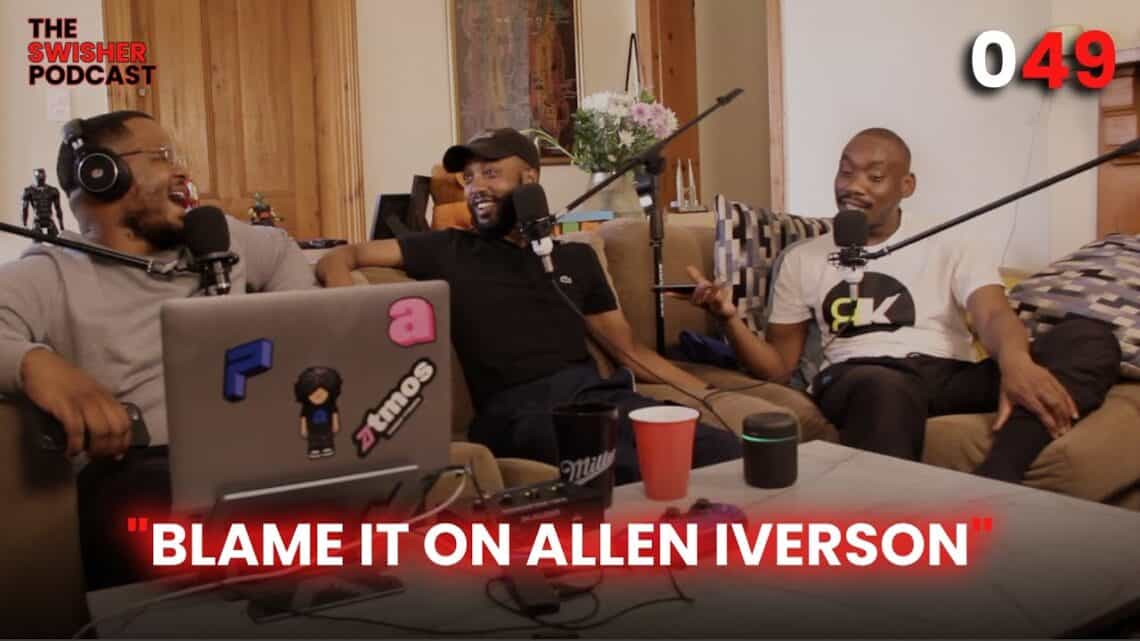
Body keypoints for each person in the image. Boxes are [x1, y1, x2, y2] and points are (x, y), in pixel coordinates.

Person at [683, 127, 1120, 482]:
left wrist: (1015, 362)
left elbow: (991, 312)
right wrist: (730, 319)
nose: (852, 187)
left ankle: (999, 476)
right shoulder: (804, 258)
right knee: (883, 387)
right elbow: (778, 367)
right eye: (845, 172)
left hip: (945, 375)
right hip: (860, 376)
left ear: (906, 186)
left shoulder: (950, 239)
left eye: (874, 177)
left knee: (1090, 339)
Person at [0, 110, 317, 588]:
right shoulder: (52, 274)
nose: (182, 172)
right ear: (102, 174)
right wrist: (35, 363)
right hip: (144, 470)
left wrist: (298, 326)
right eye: (163, 157)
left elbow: (279, 251)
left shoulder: (216, 237)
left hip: (254, 449)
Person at [318, 128, 743, 483]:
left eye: (491, 173)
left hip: (597, 398)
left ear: (529, 180)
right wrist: (349, 303)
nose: (476, 187)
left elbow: (628, 351)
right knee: (633, 470)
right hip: (519, 415)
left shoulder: (575, 258)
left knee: (727, 453)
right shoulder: (448, 249)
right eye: (468, 178)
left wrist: (707, 393)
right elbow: (341, 256)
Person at [21, 168, 65, 236]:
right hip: (37, 220)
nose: (41, 180)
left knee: (56, 239)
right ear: (35, 178)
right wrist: (24, 224)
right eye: (39, 178)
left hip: (49, 219)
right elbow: (24, 209)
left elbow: (58, 209)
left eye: (42, 177)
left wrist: (61, 226)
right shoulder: (29, 191)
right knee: (37, 237)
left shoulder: (52, 190)